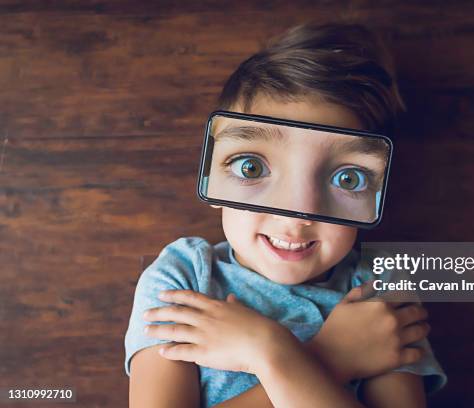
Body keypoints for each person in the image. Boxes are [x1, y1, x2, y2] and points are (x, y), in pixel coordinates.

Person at [124, 20, 447, 407]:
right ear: (213, 173)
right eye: (252, 168)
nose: (297, 217)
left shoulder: (378, 293)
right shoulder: (184, 276)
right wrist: (323, 357)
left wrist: (269, 352)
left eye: (346, 178)